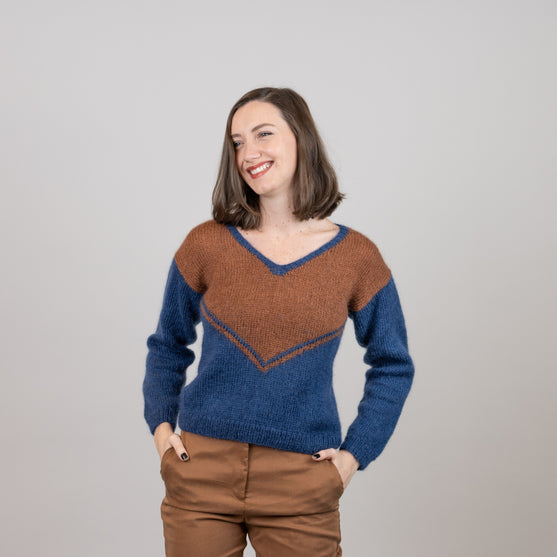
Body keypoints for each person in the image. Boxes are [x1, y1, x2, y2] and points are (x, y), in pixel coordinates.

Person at [142, 86, 415, 557]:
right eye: (237, 142)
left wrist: (353, 456)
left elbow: (393, 364)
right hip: (201, 472)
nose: (249, 152)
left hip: (301, 479)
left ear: (301, 138)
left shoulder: (356, 257)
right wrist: (161, 428)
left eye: (263, 134)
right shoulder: (205, 244)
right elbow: (168, 343)